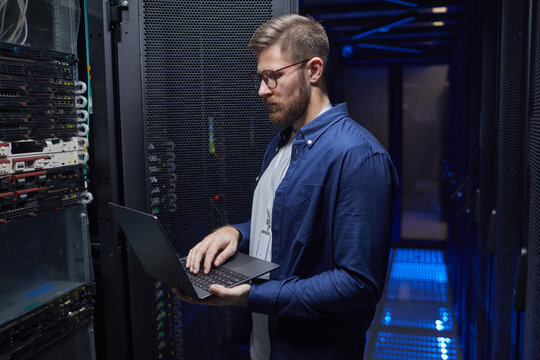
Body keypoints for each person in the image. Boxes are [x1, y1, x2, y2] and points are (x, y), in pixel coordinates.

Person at [174, 14, 398, 360]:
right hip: (265, 345)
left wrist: (252, 296)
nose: (262, 90)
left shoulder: (359, 158)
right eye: (260, 77)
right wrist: (236, 233)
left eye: (273, 77)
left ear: (313, 70)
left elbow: (358, 283)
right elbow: (282, 225)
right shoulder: (282, 143)